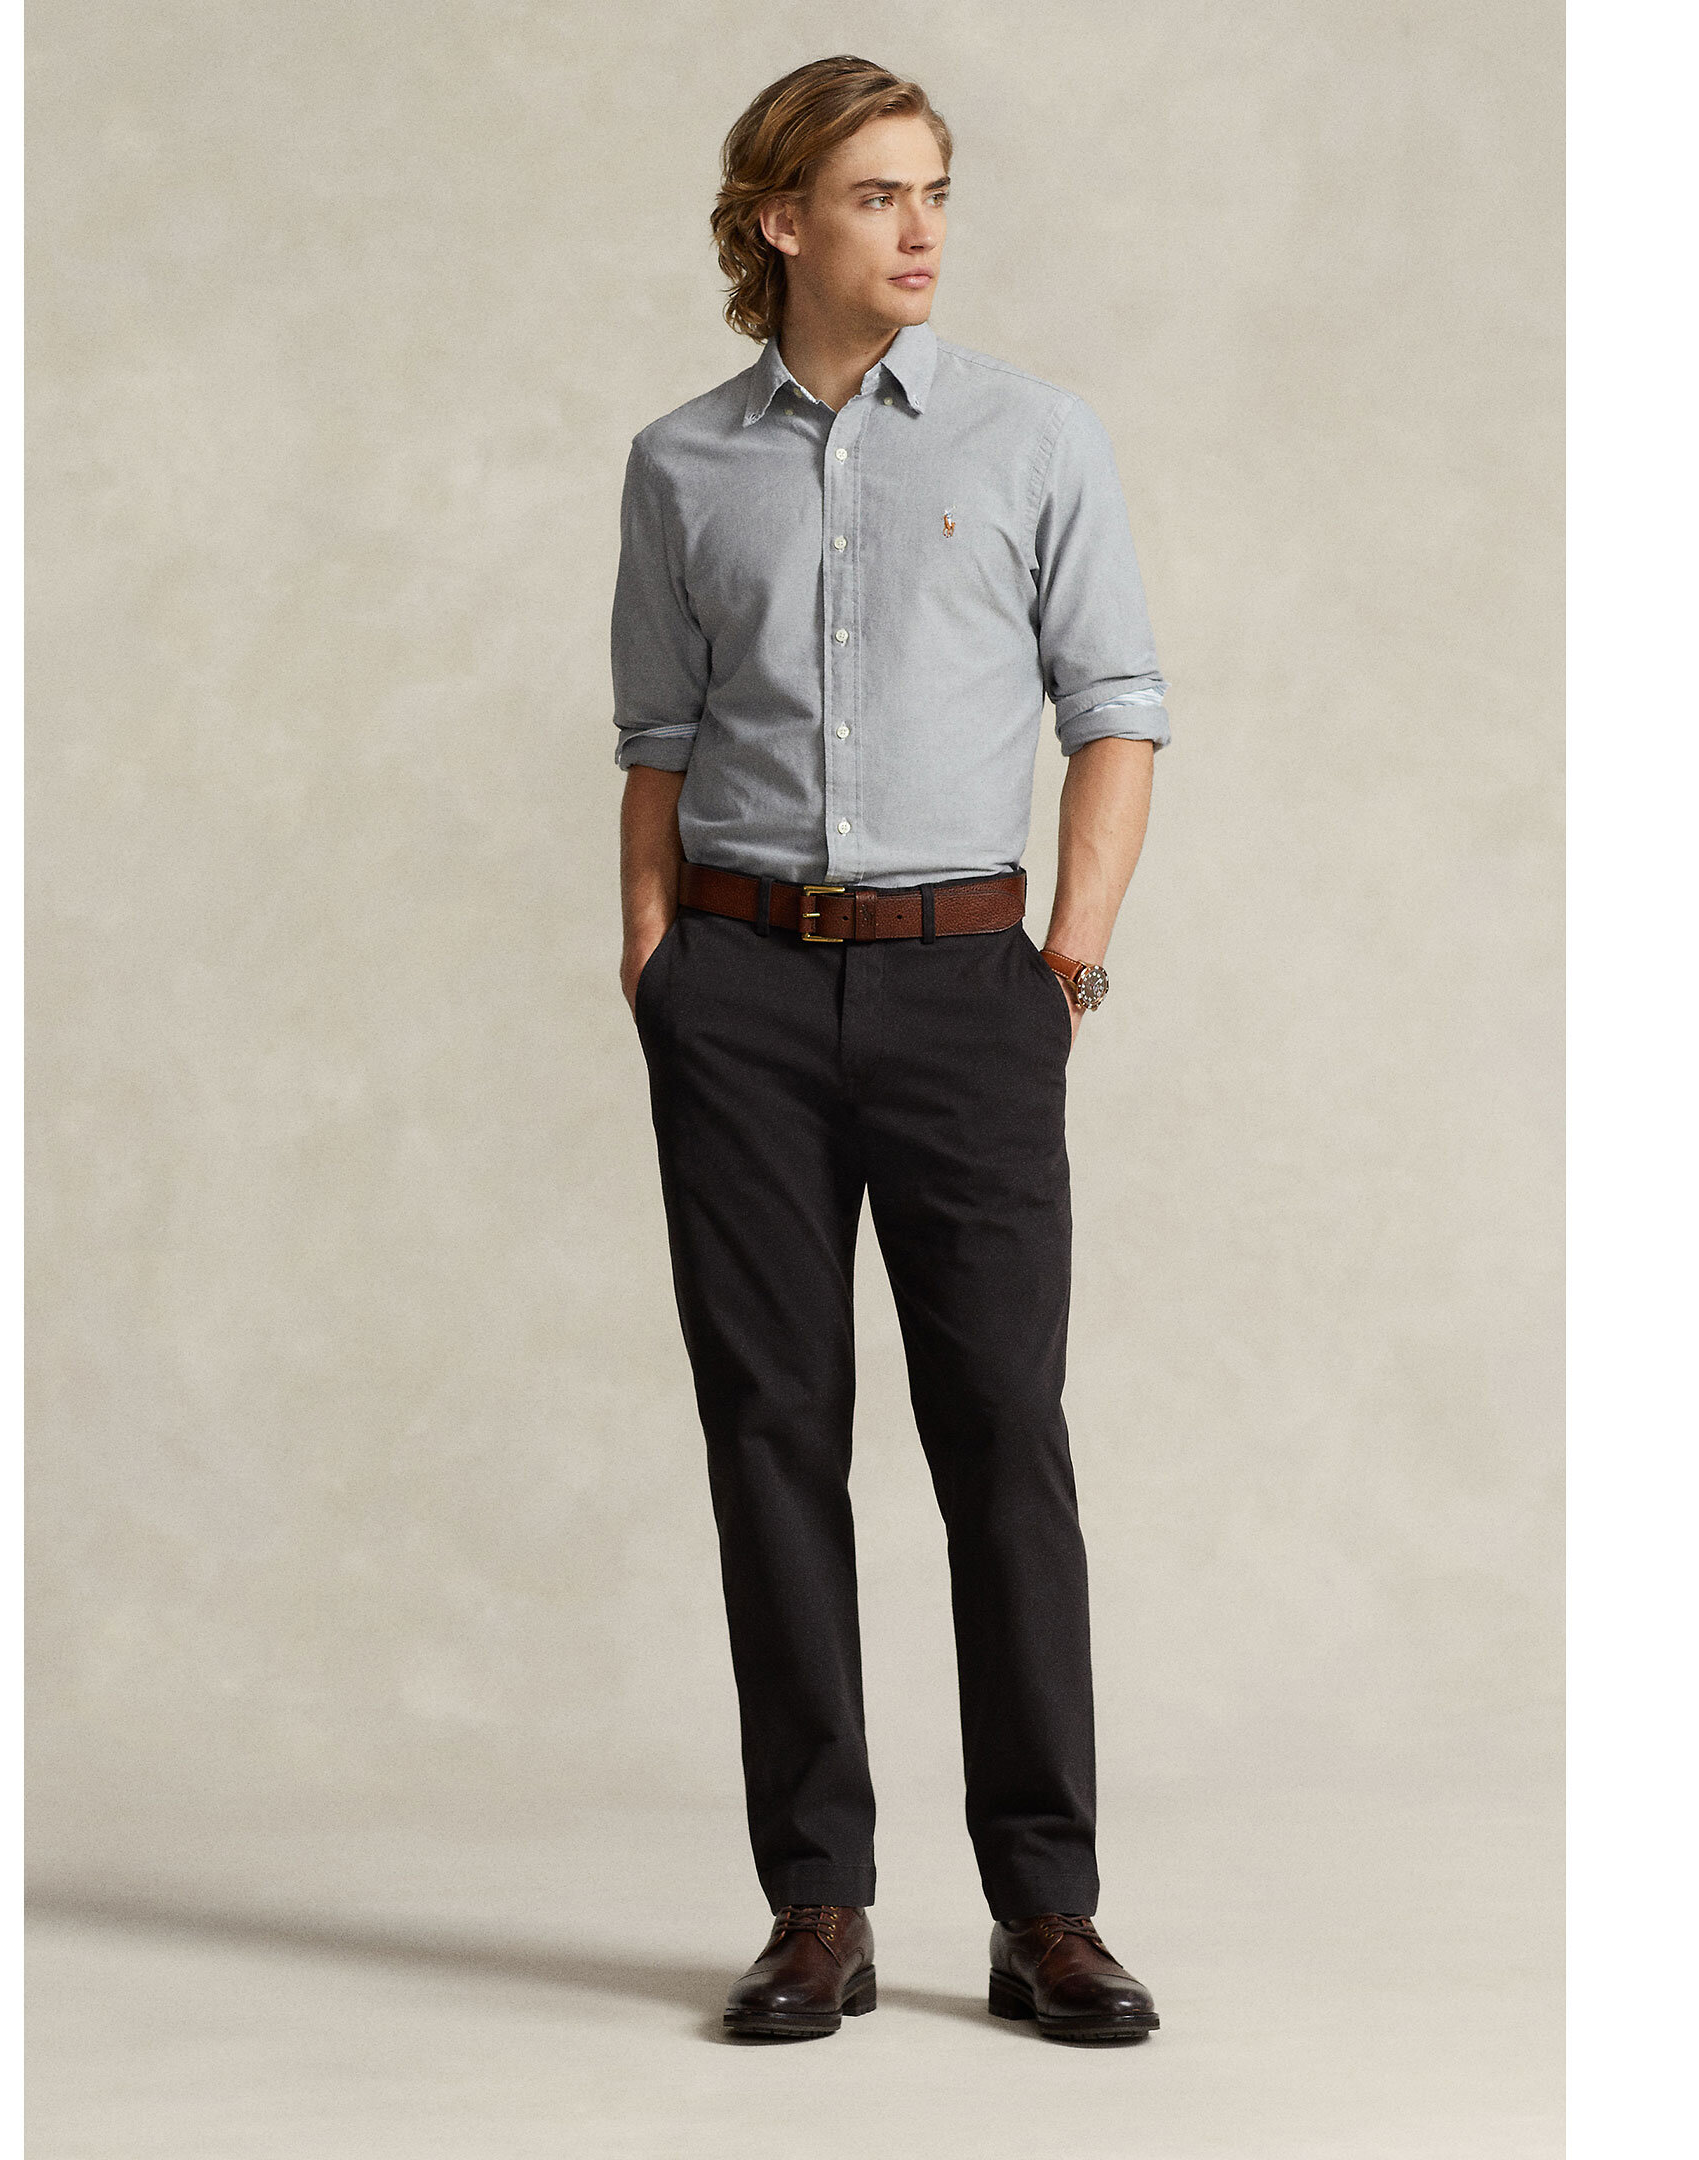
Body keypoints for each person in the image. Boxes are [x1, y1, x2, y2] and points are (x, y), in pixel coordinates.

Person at [611, 54, 1167, 2044]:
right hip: (741, 993)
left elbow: (1117, 705)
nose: (921, 228)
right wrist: (655, 959)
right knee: (773, 1436)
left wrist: (1062, 964)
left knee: (1003, 1435)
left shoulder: (1035, 436)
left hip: (965, 992)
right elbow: (656, 737)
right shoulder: (683, 464)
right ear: (780, 221)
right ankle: (817, 1907)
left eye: (933, 190)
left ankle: (1048, 1913)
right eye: (875, 194)